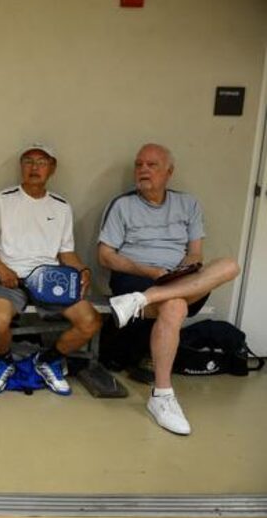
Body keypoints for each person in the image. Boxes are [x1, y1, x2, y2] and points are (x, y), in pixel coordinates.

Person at [98, 143, 239, 435]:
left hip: (179, 281)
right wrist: (149, 272)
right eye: (139, 165)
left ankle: (143, 300)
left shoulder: (188, 204)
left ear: (169, 172)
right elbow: (105, 256)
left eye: (151, 165)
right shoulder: (123, 205)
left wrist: (185, 268)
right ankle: (162, 396)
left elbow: (196, 252)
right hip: (135, 278)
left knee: (229, 265)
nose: (143, 170)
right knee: (175, 306)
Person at [0, 143, 101, 395]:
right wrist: (1, 268)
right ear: (21, 167)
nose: (34, 167)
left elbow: (66, 252)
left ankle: (48, 360)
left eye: (42, 162)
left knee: (90, 320)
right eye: (28, 161)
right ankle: (3, 362)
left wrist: (83, 270)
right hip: (7, 280)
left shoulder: (61, 206)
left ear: (52, 168)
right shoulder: (2, 199)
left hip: (50, 281)